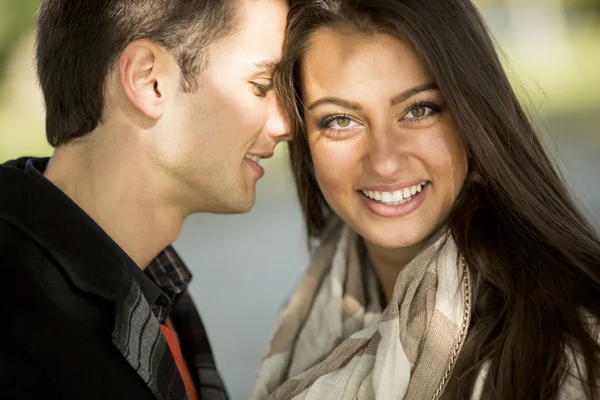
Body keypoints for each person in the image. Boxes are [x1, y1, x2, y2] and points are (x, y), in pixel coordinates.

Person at [252, 0, 600, 398]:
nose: (384, 161)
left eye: (419, 109)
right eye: (340, 120)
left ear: (475, 119)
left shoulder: (569, 351)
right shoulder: (307, 315)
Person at [0, 0, 290, 399]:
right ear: (148, 80)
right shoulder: (17, 326)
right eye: (260, 86)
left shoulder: (157, 288)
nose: (286, 125)